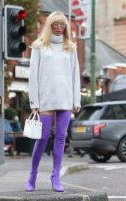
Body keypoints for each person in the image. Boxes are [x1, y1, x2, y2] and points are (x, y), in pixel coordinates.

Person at [26, 11, 81, 192]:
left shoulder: (70, 47)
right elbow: (33, 76)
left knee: (60, 138)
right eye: (55, 25)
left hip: (65, 99)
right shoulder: (39, 47)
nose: (59, 28)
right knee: (41, 139)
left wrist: (76, 100)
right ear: (49, 26)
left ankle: (55, 176)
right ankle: (33, 174)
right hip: (45, 99)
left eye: (62, 25)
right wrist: (34, 100)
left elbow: (75, 75)